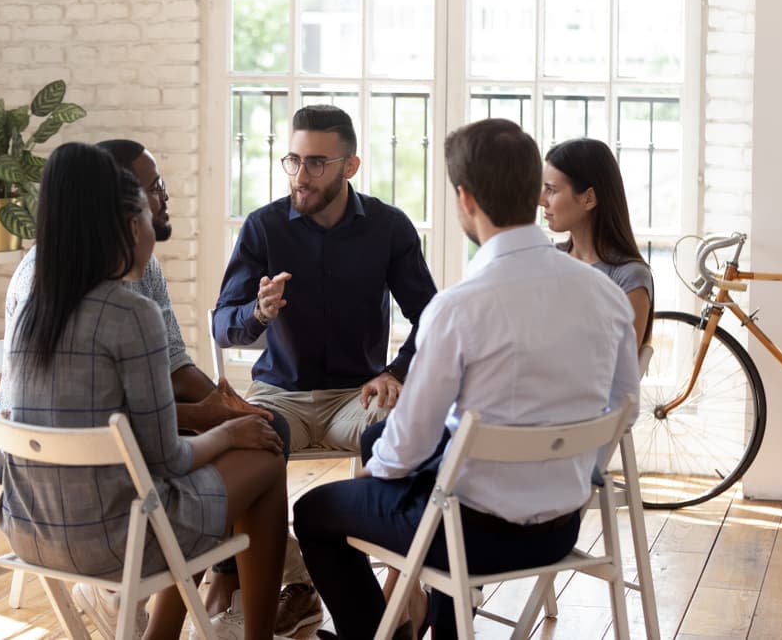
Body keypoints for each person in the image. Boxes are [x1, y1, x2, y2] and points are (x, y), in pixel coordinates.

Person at [293, 119, 641, 639]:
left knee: (315, 510)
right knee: (417, 463)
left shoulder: (458, 308)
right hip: (562, 525)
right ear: (531, 192)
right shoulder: (604, 295)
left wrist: (375, 473)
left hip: (466, 537)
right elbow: (625, 405)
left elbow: (408, 443)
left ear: (466, 200)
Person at [0, 142, 289, 640]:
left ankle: (181, 622)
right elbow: (170, 460)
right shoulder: (130, 314)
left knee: (236, 454)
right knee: (261, 461)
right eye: (148, 209)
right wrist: (228, 432)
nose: (157, 219)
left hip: (26, 529)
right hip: (116, 540)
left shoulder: (34, 308)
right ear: (131, 227)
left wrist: (220, 421)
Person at [211, 105, 438, 636]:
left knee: (400, 436)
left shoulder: (388, 227)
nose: (300, 175)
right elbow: (224, 325)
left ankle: (402, 588)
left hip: (356, 394)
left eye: (316, 163)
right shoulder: (263, 226)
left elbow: (431, 318)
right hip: (280, 391)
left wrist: (397, 372)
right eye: (293, 160)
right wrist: (257, 313)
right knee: (247, 443)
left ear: (349, 166)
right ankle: (287, 578)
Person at [541, 137, 654, 348]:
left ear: (589, 199)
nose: (541, 200)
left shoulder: (629, 277)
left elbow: (621, 369)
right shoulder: (549, 260)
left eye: (552, 190)